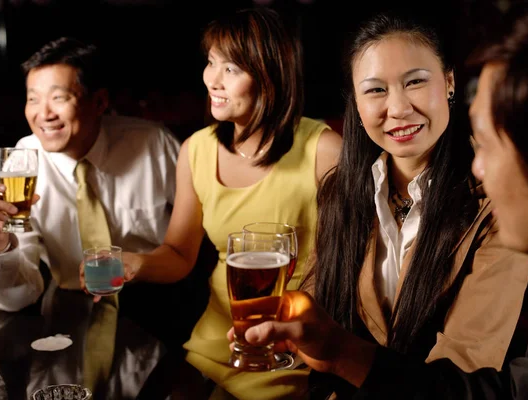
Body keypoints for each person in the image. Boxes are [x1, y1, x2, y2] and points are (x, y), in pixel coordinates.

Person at [234, 7, 528, 399]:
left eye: (415, 82)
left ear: (449, 82)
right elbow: (318, 311)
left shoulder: (492, 201)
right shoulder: (341, 188)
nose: (398, 108)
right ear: (355, 103)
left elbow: (468, 369)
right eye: (375, 89)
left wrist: (341, 353)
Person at [89, 7, 342, 399]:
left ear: (270, 75)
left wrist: (293, 324)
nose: (213, 80)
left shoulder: (324, 150)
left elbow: (337, 265)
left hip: (290, 351)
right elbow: (178, 253)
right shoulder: (196, 150)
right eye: (211, 63)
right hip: (212, 345)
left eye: (232, 69)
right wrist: (133, 264)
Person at [0, 36, 180, 313]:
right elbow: (15, 299)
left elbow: (202, 234)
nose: (44, 114)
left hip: (159, 300)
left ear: (99, 101)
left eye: (59, 98)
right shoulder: (18, 166)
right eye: (33, 99)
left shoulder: (153, 143)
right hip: (71, 306)